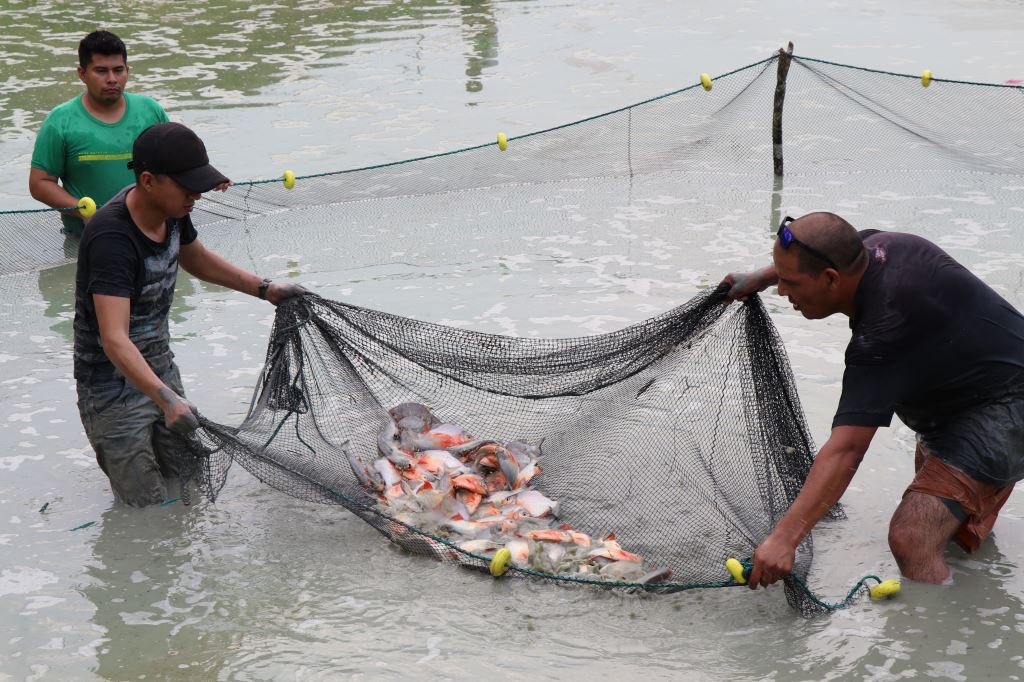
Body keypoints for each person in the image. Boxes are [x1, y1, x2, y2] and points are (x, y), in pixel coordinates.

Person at [723, 212, 1024, 586]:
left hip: (1006, 407)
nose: (784, 293)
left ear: (831, 279)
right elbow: (829, 246)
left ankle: (937, 635)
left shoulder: (882, 331)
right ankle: (974, 601)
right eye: (780, 280)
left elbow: (847, 450)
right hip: (960, 398)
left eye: (789, 282)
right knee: (947, 530)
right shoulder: (877, 248)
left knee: (912, 538)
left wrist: (785, 539)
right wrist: (761, 278)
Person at [75, 121, 307, 507]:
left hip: (158, 364)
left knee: (190, 479)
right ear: (148, 181)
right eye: (186, 187)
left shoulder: (173, 209)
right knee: (144, 505)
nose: (195, 196)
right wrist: (167, 401)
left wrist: (264, 289)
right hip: (109, 387)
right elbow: (114, 339)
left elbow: (195, 258)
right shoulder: (112, 239)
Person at [29, 30, 169, 237]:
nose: (112, 79)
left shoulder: (151, 111)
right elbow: (40, 183)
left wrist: (208, 177)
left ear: (128, 71)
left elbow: (177, 162)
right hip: (86, 238)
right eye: (101, 71)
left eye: (118, 70)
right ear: (82, 74)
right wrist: (84, 211)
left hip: (150, 233)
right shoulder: (60, 121)